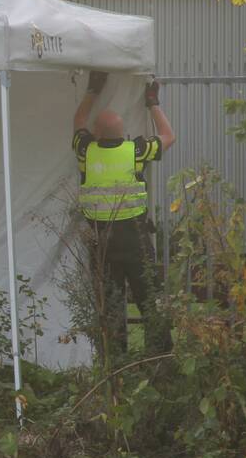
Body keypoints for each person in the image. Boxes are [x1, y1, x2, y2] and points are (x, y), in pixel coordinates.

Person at [72, 71, 175, 354]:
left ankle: (116, 364)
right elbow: (168, 136)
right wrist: (152, 102)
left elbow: (78, 122)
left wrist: (93, 89)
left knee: (112, 305)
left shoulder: (86, 151)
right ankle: (162, 357)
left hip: (102, 242)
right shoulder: (136, 151)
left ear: (98, 133)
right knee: (149, 299)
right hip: (136, 239)